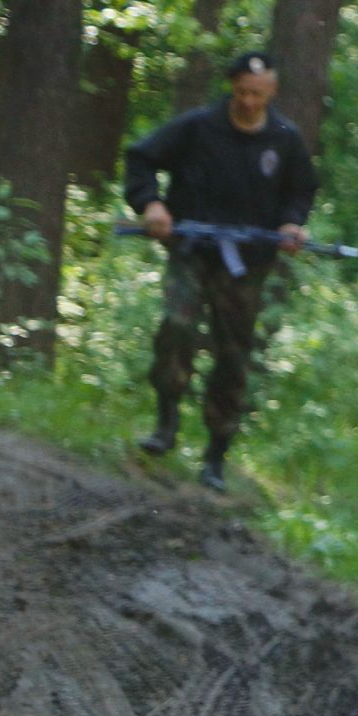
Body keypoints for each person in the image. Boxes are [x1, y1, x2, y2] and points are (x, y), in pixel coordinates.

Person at [123, 50, 318, 492]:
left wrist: (291, 224)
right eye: (244, 92)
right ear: (232, 87)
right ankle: (166, 423)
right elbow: (140, 158)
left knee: (233, 354)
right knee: (176, 328)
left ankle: (216, 455)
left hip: (246, 264)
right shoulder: (197, 127)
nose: (250, 102)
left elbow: (301, 191)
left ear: (272, 93)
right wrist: (151, 204)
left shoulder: (284, 139)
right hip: (192, 250)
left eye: (260, 95)